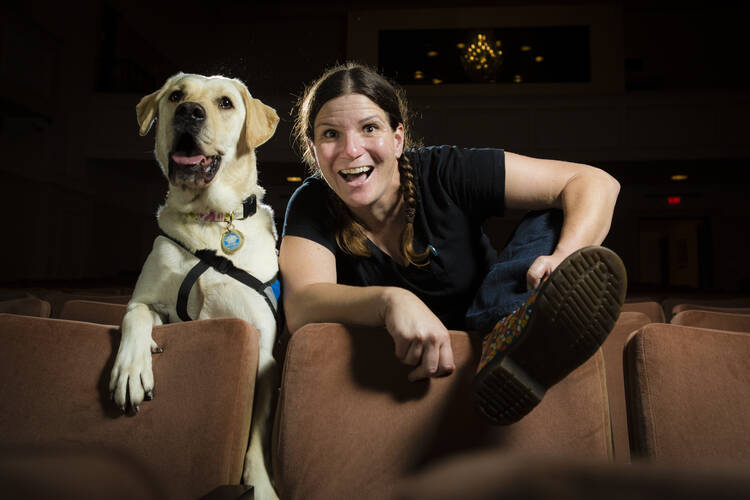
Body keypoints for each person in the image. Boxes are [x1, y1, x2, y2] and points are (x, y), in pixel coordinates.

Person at [279, 62, 626, 425]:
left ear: (397, 139)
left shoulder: (445, 170)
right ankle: (523, 332)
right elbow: (303, 304)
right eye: (331, 134)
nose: (351, 150)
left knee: (554, 216)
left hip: (491, 323)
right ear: (314, 150)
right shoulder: (312, 202)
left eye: (369, 128)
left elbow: (595, 182)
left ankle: (512, 333)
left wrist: (564, 257)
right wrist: (391, 300)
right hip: (404, 380)